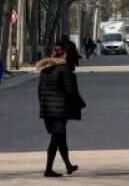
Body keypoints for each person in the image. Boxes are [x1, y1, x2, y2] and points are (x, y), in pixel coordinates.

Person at [37, 40, 85, 177]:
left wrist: (43, 107)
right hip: (60, 111)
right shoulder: (65, 70)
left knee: (61, 138)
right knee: (55, 140)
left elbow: (40, 92)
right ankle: (48, 170)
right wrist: (80, 104)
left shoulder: (45, 70)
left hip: (47, 110)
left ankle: (69, 165)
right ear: (66, 54)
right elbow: (71, 92)